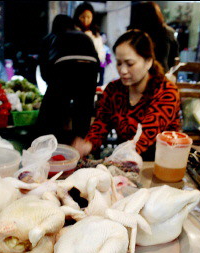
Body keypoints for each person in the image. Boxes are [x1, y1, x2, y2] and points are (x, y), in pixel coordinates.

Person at [72, 29, 181, 161]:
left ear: (148, 62)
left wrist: (116, 160)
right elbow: (101, 123)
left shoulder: (166, 92)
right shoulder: (113, 90)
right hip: (126, 160)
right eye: (118, 63)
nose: (122, 70)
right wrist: (87, 144)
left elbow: (146, 137)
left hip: (161, 164)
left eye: (130, 64)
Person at [34, 14, 99, 145]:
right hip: (90, 69)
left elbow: (44, 70)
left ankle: (50, 148)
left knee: (52, 115)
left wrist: (52, 86)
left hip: (63, 68)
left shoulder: (51, 37)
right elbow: (96, 62)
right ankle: (80, 145)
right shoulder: (84, 36)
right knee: (83, 109)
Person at [128, 1, 179, 73]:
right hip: (161, 72)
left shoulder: (135, 34)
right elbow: (174, 57)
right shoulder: (168, 32)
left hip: (139, 74)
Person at [73, 2, 106, 85]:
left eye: (88, 17)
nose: (85, 20)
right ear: (77, 17)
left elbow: (101, 54)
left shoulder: (96, 35)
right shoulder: (72, 32)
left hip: (91, 71)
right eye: (82, 17)